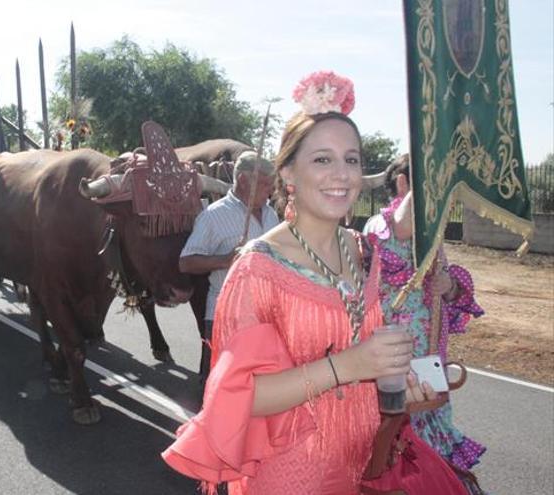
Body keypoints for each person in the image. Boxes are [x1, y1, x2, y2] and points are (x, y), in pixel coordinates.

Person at [162, 72, 444, 494]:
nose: (342, 174)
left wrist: (404, 389)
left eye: (351, 159)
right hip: (296, 474)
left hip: (367, 459)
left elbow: (366, 365)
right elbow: (243, 395)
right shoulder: (259, 268)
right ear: (288, 174)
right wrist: (348, 366)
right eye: (322, 159)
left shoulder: (364, 252)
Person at [363, 154, 485, 470]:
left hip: (430, 363)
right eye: (430, 183)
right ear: (404, 183)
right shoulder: (381, 223)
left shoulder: (432, 232)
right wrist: (427, 165)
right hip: (395, 366)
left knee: (433, 458)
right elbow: (400, 230)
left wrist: (449, 287)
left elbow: (459, 298)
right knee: (399, 455)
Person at [179, 150, 279, 381]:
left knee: (259, 380)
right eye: (265, 184)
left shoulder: (272, 215)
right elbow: (186, 262)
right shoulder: (213, 216)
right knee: (217, 380)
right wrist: (225, 260)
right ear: (244, 181)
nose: (271, 190)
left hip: (265, 314)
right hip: (225, 314)